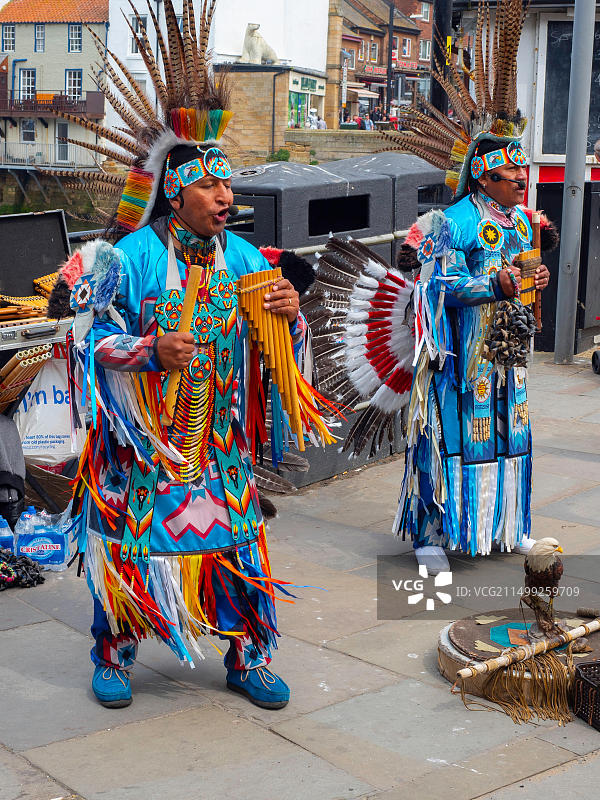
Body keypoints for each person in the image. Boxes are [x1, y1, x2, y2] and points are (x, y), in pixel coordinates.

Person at [51, 0, 323, 711]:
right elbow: (86, 337)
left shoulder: (243, 259)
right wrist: (148, 350)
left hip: (220, 443)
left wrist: (288, 323)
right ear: (175, 191)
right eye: (210, 184)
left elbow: (278, 357)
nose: (226, 195)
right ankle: (115, 651)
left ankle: (249, 655)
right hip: (144, 446)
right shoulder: (129, 257)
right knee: (133, 546)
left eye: (228, 184)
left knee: (237, 545)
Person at [367, 0, 554, 574]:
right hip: (459, 353)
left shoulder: (521, 221)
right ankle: (430, 534)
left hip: (508, 348)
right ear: (481, 175)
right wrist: (487, 286)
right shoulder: (450, 223)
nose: (520, 183)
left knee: (510, 428)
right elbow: (433, 287)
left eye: (523, 176)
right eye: (508, 176)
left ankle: (506, 523)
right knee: (449, 436)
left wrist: (533, 280)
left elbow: (520, 275)